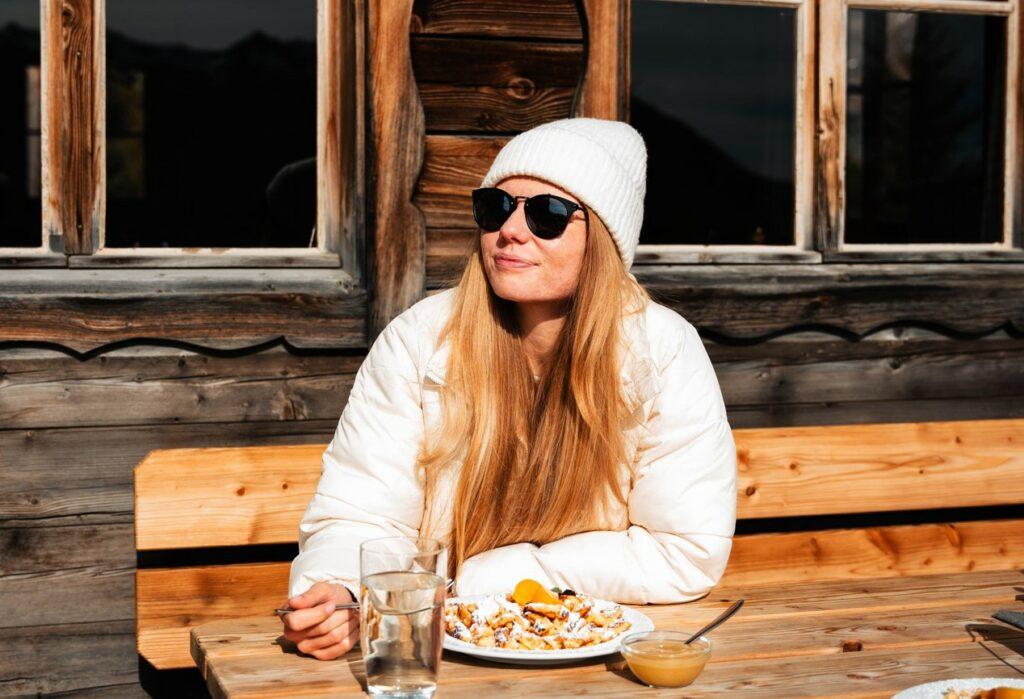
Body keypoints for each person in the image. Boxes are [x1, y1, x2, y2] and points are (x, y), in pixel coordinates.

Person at [279, 117, 738, 660]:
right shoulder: (422, 339)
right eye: (496, 207)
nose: (511, 230)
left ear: (604, 243)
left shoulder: (660, 351)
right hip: (444, 651)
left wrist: (504, 575)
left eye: (547, 214)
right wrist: (344, 590)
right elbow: (361, 512)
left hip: (593, 649)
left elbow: (684, 549)